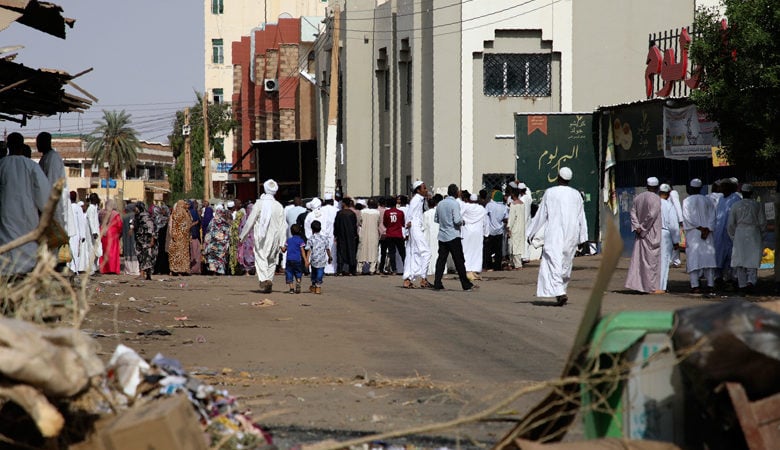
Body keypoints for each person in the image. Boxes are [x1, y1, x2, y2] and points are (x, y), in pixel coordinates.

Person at [526, 167, 588, 306]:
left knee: (554, 262)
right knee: (565, 263)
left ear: (558, 177)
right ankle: (561, 292)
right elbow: (581, 217)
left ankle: (560, 292)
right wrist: (583, 237)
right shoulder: (576, 194)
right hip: (571, 234)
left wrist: (530, 232)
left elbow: (541, 215)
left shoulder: (550, 192)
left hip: (555, 233)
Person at [0, 132, 51, 275]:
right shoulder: (32, 166)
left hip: (5, 220)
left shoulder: (1, 165)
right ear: (22, 146)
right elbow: (45, 196)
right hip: (27, 219)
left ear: (8, 146)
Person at [240, 179, 286, 293]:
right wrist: (282, 243)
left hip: (262, 236)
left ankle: (265, 279)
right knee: (271, 260)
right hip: (275, 237)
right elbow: (283, 226)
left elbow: (250, 220)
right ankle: (269, 281)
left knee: (261, 257)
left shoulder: (259, 204)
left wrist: (242, 236)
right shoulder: (279, 206)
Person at [432, 184, 475, 291]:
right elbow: (456, 220)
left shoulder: (441, 203)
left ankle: (437, 282)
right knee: (459, 261)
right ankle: (465, 284)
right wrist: (462, 222)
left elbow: (436, 219)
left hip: (442, 236)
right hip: (453, 235)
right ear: (455, 192)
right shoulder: (454, 204)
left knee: (441, 260)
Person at [625, 177, 663, 294]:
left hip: (640, 233)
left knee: (640, 260)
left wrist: (637, 227)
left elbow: (632, 213)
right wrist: (643, 228)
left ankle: (639, 285)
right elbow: (652, 215)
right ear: (656, 188)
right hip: (651, 233)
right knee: (651, 261)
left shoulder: (638, 197)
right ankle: (650, 287)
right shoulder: (656, 198)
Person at [728, 184, 766, 294]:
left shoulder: (735, 205)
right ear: (752, 193)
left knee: (740, 260)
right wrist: (761, 235)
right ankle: (751, 282)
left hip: (739, 233)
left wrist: (733, 237)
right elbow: (763, 222)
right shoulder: (757, 205)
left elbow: (730, 224)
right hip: (754, 233)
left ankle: (742, 285)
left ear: (742, 192)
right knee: (752, 260)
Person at [682, 178, 717, 294]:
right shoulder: (708, 200)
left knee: (694, 259)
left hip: (694, 233)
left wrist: (700, 228)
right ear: (701, 188)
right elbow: (713, 216)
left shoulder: (687, 201)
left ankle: (695, 285)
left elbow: (687, 218)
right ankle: (710, 284)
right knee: (708, 259)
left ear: (691, 188)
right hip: (707, 233)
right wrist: (707, 229)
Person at [402, 181, 432, 289]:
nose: (426, 189)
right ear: (418, 190)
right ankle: (423, 278)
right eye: (424, 188)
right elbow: (409, 216)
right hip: (414, 228)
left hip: (417, 227)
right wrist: (406, 231)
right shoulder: (415, 200)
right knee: (426, 252)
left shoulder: (420, 199)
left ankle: (408, 279)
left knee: (413, 253)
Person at [37, 131, 69, 229]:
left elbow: (52, 182)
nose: (37, 145)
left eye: (38, 142)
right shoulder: (45, 157)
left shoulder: (53, 158)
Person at [713, 178, 740, 286]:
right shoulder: (721, 199)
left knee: (731, 256)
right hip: (719, 232)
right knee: (719, 254)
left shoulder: (735, 198)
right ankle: (719, 277)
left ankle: (732, 278)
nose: (722, 189)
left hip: (731, 232)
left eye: (724, 186)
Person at [658, 184, 681, 293]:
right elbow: (673, 225)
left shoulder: (653, 203)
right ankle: (661, 287)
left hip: (652, 234)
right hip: (664, 233)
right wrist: (676, 241)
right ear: (668, 194)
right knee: (664, 261)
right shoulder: (668, 205)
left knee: (653, 260)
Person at [460, 192, 487, 281]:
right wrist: (486, 233)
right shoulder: (481, 209)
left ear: (470, 200)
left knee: (466, 250)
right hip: (478, 232)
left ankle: (467, 270)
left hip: (467, 231)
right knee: (477, 250)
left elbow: (459, 216)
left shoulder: (465, 207)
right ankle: (475, 269)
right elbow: (486, 221)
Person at [305, 220, 332, 294]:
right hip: (322, 260)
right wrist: (330, 256)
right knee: (320, 273)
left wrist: (307, 260)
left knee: (314, 273)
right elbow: (327, 248)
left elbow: (309, 250)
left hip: (314, 259)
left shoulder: (310, 239)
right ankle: (318, 285)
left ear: (312, 229)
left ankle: (314, 285)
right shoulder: (324, 238)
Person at [334, 197, 359, 275]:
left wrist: (336, 234)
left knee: (341, 252)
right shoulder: (352, 214)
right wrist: (355, 234)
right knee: (351, 251)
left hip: (341, 235)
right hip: (351, 235)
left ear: (344, 204)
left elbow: (336, 225)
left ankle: (340, 270)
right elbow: (355, 225)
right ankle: (352, 270)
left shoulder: (340, 213)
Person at [484, 190, 508, 271]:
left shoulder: (489, 205)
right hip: (499, 231)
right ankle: (497, 266)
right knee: (498, 250)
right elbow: (506, 218)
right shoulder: (503, 207)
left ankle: (488, 266)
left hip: (490, 231)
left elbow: (485, 215)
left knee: (488, 250)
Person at [133, 201, 157, 281]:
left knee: (147, 256)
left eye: (136, 207)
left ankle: (146, 274)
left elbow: (151, 228)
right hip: (140, 240)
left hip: (146, 240)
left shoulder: (146, 217)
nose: (135, 208)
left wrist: (152, 240)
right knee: (141, 256)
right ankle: (144, 274)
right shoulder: (138, 216)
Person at [203, 207, 231, 275]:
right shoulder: (225, 222)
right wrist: (226, 241)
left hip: (213, 243)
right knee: (220, 257)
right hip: (221, 244)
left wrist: (206, 243)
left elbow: (209, 232)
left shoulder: (212, 221)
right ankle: (220, 272)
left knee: (213, 257)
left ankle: (213, 272)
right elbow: (227, 233)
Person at [382, 197, 406, 275]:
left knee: (392, 252)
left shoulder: (387, 212)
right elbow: (403, 223)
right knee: (402, 252)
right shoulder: (400, 212)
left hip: (390, 234)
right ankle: (406, 267)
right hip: (398, 234)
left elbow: (385, 223)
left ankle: (394, 269)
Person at [357, 197, 380, 274]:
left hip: (363, 232)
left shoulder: (362, 211)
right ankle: (372, 269)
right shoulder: (377, 212)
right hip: (374, 233)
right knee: (373, 250)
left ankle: (359, 269)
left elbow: (359, 222)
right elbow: (378, 223)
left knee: (362, 250)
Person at [282, 224, 308, 293]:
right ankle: (298, 281)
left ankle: (291, 289)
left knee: (289, 272)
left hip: (289, 259)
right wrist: (305, 260)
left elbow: (284, 250)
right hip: (297, 260)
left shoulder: (289, 240)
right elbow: (302, 251)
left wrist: (281, 248)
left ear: (291, 232)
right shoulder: (301, 241)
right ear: (299, 231)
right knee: (298, 272)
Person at [99, 199, 123, 274]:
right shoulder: (115, 214)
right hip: (112, 234)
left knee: (103, 251)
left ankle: (103, 269)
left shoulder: (101, 212)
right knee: (112, 252)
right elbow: (119, 224)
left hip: (102, 232)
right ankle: (112, 269)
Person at [168, 200, 191, 276]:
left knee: (176, 253)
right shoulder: (181, 213)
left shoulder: (179, 212)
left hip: (179, 237)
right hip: (181, 237)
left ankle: (175, 270)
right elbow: (181, 225)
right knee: (180, 254)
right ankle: (179, 270)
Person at [506, 185, 527, 270]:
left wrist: (509, 228)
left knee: (513, 246)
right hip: (521, 227)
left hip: (514, 228)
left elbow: (511, 218)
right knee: (518, 244)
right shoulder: (522, 204)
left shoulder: (513, 205)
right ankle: (515, 263)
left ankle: (517, 264)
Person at [423, 195, 442, 276]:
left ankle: (430, 269)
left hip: (428, 235)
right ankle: (439, 269)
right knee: (438, 251)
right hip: (438, 234)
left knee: (430, 251)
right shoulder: (438, 212)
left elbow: (423, 226)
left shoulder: (426, 213)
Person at [121, 204, 140, 275]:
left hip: (126, 237)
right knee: (134, 251)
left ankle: (128, 270)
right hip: (133, 237)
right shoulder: (133, 216)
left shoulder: (124, 217)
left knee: (128, 252)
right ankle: (134, 270)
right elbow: (132, 224)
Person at [238, 202, 256, 275]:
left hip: (252, 240)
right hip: (247, 241)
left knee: (253, 254)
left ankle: (252, 270)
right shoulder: (245, 218)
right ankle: (247, 271)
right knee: (247, 255)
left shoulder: (253, 218)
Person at [153, 203, 170, 275]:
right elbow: (156, 228)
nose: (162, 211)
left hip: (166, 239)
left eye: (164, 209)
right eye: (161, 209)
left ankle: (164, 269)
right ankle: (157, 269)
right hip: (159, 238)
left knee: (165, 254)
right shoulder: (159, 218)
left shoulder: (169, 218)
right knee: (159, 253)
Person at [188, 200, 202, 274]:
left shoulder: (188, 212)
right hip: (194, 235)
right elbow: (198, 222)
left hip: (191, 235)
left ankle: (192, 269)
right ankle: (195, 269)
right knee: (195, 252)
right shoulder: (193, 212)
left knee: (192, 252)